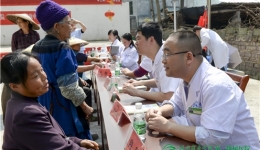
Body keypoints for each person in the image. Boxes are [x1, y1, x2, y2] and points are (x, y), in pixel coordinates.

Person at [146, 31, 260, 149]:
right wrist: (159, 111)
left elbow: (212, 137)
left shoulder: (216, 84)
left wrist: (168, 126)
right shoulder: (186, 79)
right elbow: (176, 104)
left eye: (167, 54)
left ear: (188, 57)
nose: (163, 60)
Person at [1, 52, 99, 150]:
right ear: (14, 86)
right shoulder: (26, 113)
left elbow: (47, 138)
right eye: (35, 76)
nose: (44, 76)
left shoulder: (20, 102)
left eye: (42, 70)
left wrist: (78, 141)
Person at [32, 0, 96, 140]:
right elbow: (68, 87)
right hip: (62, 104)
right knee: (72, 139)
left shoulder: (37, 46)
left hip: (44, 100)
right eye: (68, 22)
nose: (71, 27)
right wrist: (85, 107)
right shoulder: (62, 48)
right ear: (57, 26)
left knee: (52, 138)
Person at [122, 22, 180, 102]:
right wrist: (138, 83)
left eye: (138, 38)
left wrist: (136, 92)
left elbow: (167, 96)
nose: (136, 43)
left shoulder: (166, 58)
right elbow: (158, 80)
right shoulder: (156, 56)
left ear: (151, 40)